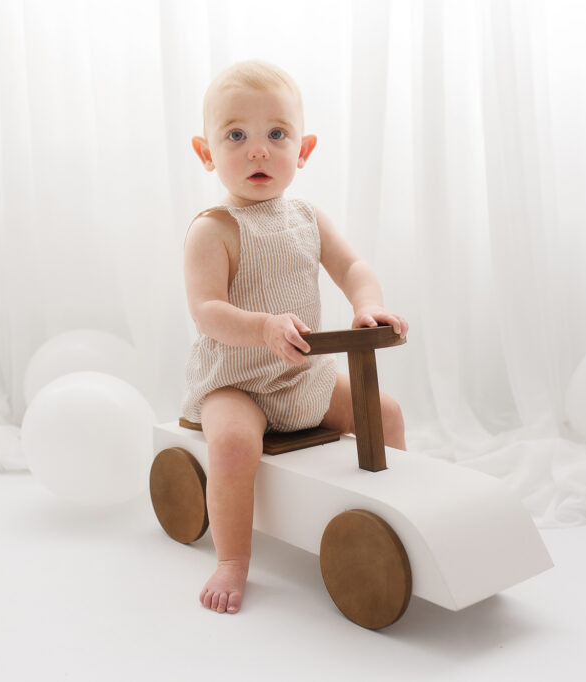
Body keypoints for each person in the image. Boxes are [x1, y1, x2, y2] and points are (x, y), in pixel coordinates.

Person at [181, 60, 409, 615]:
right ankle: (232, 559)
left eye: (276, 134)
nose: (258, 150)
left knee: (385, 412)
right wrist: (260, 326)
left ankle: (397, 518)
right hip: (236, 382)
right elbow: (207, 312)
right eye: (236, 135)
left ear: (302, 150)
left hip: (301, 373)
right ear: (206, 152)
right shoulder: (214, 229)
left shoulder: (307, 217)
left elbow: (352, 266)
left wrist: (368, 304)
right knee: (234, 445)